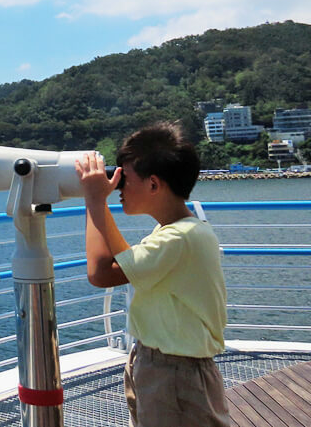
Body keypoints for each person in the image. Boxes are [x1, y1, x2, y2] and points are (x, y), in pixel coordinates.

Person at [75, 121, 230, 427]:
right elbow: (126, 260)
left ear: (154, 184)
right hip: (160, 363)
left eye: (125, 178)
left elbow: (101, 273)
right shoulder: (177, 230)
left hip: (175, 374)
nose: (118, 185)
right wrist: (98, 202)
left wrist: (94, 200)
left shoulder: (177, 239)